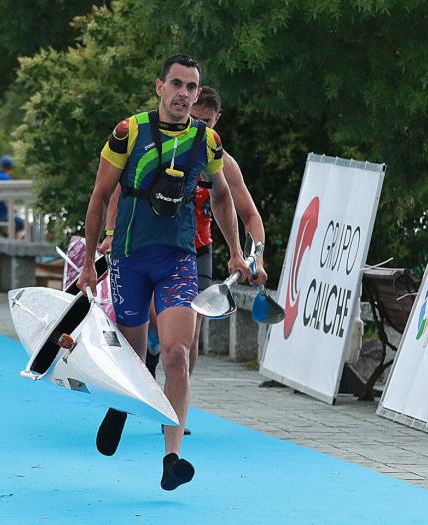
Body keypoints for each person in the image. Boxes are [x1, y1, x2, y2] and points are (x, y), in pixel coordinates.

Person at [77, 54, 249, 491]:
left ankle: (172, 457)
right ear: (159, 87)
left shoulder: (207, 141)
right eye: (177, 84)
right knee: (135, 359)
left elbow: (224, 199)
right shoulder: (128, 131)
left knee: (175, 354)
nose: (184, 94)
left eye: (192, 87)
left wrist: (236, 253)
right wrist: (87, 266)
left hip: (178, 261)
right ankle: (124, 402)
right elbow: (100, 196)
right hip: (131, 260)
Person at [99, 86, 268, 384]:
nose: (201, 126)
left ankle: (177, 396)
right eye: (196, 118)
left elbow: (251, 215)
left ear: (218, 119)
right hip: (149, 245)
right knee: (155, 314)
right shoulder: (162, 150)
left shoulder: (223, 164)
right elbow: (120, 192)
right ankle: (153, 344)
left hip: (195, 251)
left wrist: (255, 257)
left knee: (190, 332)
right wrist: (111, 231)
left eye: (209, 122)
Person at [0, 155, 25, 236]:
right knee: (22, 223)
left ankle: (8, 237)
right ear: (10, 168)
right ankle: (14, 242)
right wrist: (14, 209)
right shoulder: (7, 179)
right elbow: (6, 201)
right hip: (2, 215)